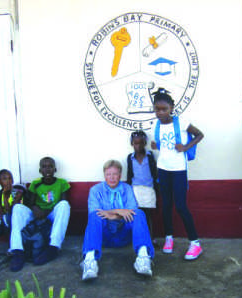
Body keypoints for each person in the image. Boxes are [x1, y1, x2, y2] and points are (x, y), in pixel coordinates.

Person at [150, 88, 204, 260]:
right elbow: (160, 144)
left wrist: (186, 147)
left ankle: (195, 243)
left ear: (171, 108)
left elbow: (199, 134)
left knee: (180, 206)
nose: (160, 112)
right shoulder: (155, 125)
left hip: (179, 170)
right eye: (157, 109)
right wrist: (155, 145)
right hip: (163, 169)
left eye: (164, 109)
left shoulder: (181, 122)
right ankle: (168, 238)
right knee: (166, 205)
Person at [82, 160, 155, 280]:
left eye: (115, 174)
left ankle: (143, 257)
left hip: (124, 235)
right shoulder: (95, 190)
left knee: (139, 213)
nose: (112, 177)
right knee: (95, 216)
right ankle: (90, 261)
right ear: (104, 175)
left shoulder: (127, 188)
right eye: (108, 174)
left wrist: (111, 214)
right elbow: (95, 212)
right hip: (104, 237)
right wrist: (120, 211)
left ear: (120, 175)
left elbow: (132, 211)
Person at [9, 157, 71, 272]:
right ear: (40, 170)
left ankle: (53, 248)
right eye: (44, 166)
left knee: (64, 205)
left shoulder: (62, 183)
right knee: (17, 208)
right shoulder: (36, 183)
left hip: (51, 214)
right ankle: (17, 251)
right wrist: (35, 209)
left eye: (50, 166)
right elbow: (30, 203)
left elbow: (62, 201)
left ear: (55, 169)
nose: (47, 169)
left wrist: (46, 212)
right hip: (37, 214)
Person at [126, 130, 158, 245]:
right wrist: (128, 191)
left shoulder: (150, 156)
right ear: (132, 144)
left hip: (149, 189)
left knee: (148, 215)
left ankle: (151, 237)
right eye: (135, 143)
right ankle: (139, 238)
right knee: (137, 214)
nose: (138, 146)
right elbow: (129, 175)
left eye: (141, 143)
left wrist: (156, 188)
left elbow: (155, 173)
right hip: (135, 190)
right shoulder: (130, 158)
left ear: (145, 143)